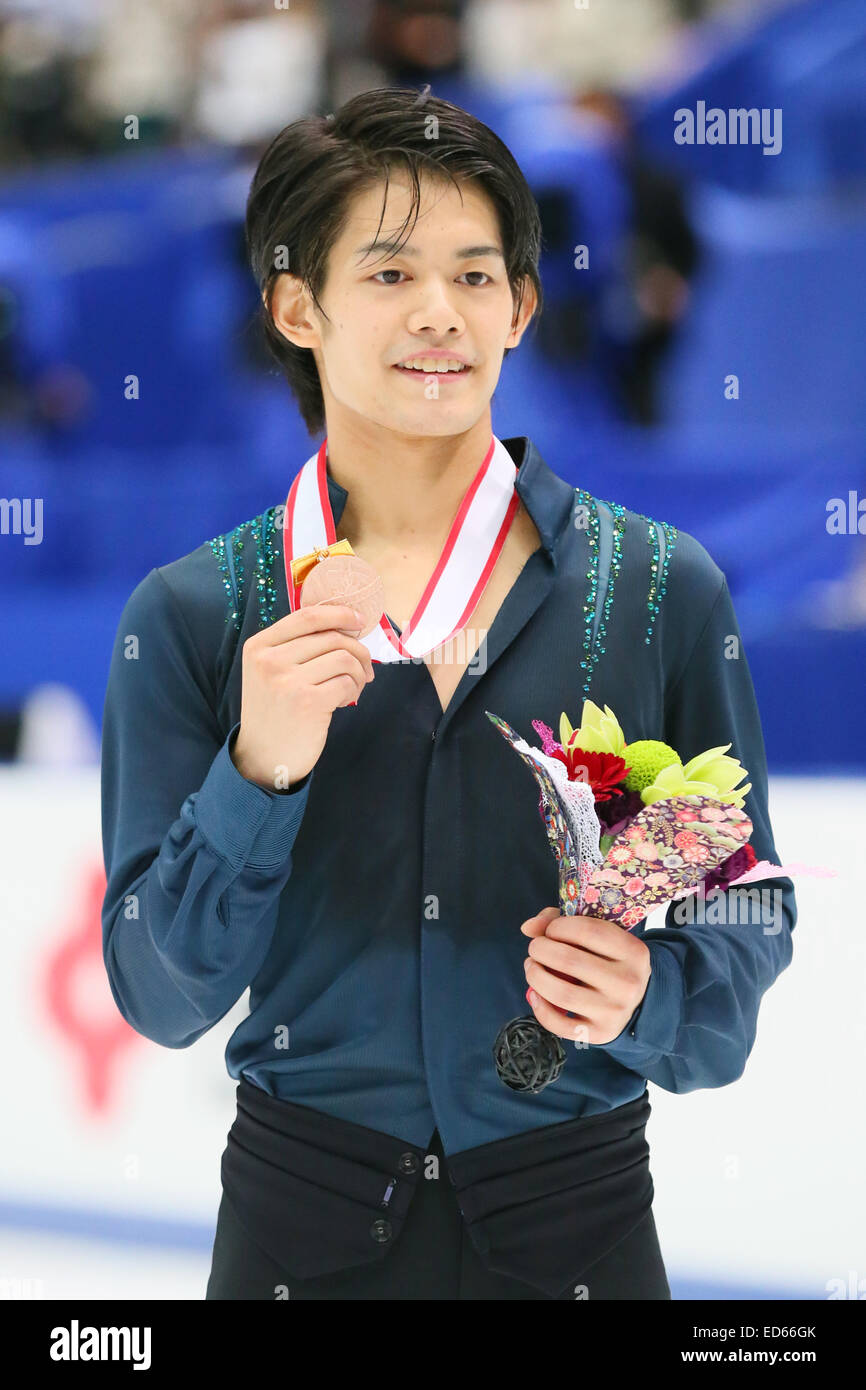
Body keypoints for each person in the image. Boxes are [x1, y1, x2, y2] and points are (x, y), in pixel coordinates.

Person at [100, 85, 797, 1300]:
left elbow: (747, 920)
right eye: (388, 274)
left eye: (476, 277)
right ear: (295, 305)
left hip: (575, 1229)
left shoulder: (654, 590)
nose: (439, 312)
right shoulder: (198, 613)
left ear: (523, 308)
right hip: (295, 1241)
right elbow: (159, 994)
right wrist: (255, 775)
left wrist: (652, 993)